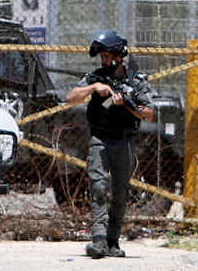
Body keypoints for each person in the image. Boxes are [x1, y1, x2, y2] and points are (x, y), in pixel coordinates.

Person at [66, 30, 154, 259]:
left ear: (118, 57)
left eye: (107, 56)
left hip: (124, 141)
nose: (103, 61)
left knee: (121, 192)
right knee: (98, 187)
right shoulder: (96, 77)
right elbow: (71, 97)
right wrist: (93, 89)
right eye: (101, 57)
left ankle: (113, 240)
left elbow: (150, 114)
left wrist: (126, 103)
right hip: (100, 139)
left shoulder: (136, 81)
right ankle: (98, 240)